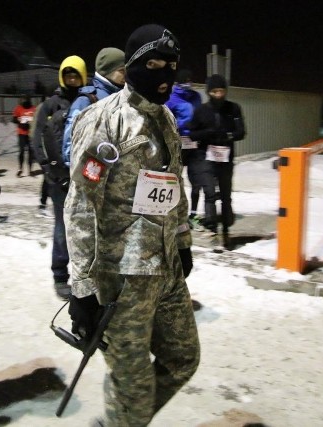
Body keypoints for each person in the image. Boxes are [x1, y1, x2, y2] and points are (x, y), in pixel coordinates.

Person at [64, 24, 200, 426]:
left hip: (166, 270)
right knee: (134, 390)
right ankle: (127, 414)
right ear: (132, 65)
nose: (163, 74)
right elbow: (80, 204)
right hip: (121, 282)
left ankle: (123, 416)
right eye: (152, 64)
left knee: (182, 360)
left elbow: (174, 186)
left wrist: (183, 240)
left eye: (170, 65)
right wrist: (83, 288)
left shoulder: (168, 121)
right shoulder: (104, 119)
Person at [31, 55, 86, 299]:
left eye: (76, 75)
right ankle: (60, 274)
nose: (72, 80)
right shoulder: (49, 106)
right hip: (58, 178)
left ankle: (86, 273)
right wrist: (48, 169)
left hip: (85, 176)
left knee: (86, 227)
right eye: (68, 75)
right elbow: (37, 140)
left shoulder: (90, 102)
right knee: (62, 227)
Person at [187, 74, 245, 247]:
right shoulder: (201, 110)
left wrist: (228, 135)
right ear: (209, 92)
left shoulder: (233, 108)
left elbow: (241, 132)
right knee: (210, 194)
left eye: (221, 91)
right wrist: (207, 134)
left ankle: (226, 230)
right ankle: (213, 230)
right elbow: (192, 133)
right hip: (207, 156)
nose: (218, 95)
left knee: (226, 196)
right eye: (214, 91)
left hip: (226, 158)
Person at [62, 47, 126, 167]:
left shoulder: (123, 98)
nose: (126, 76)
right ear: (108, 71)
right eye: (122, 71)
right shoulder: (87, 100)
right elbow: (69, 150)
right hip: (93, 180)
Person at [165, 69, 205, 229]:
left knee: (197, 181)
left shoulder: (197, 97)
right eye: (185, 81)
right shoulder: (171, 98)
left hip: (195, 144)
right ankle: (173, 214)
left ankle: (193, 214)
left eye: (190, 81)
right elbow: (167, 120)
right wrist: (182, 127)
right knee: (174, 180)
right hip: (179, 144)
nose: (188, 84)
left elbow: (201, 116)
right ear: (178, 83)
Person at [12, 94, 36, 177]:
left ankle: (30, 170)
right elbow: (14, 119)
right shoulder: (18, 108)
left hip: (30, 134)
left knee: (31, 151)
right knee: (21, 151)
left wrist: (31, 121)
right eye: (23, 99)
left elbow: (36, 119)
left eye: (26, 99)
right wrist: (18, 119)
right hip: (21, 133)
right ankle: (20, 169)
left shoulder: (33, 108)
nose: (24, 101)